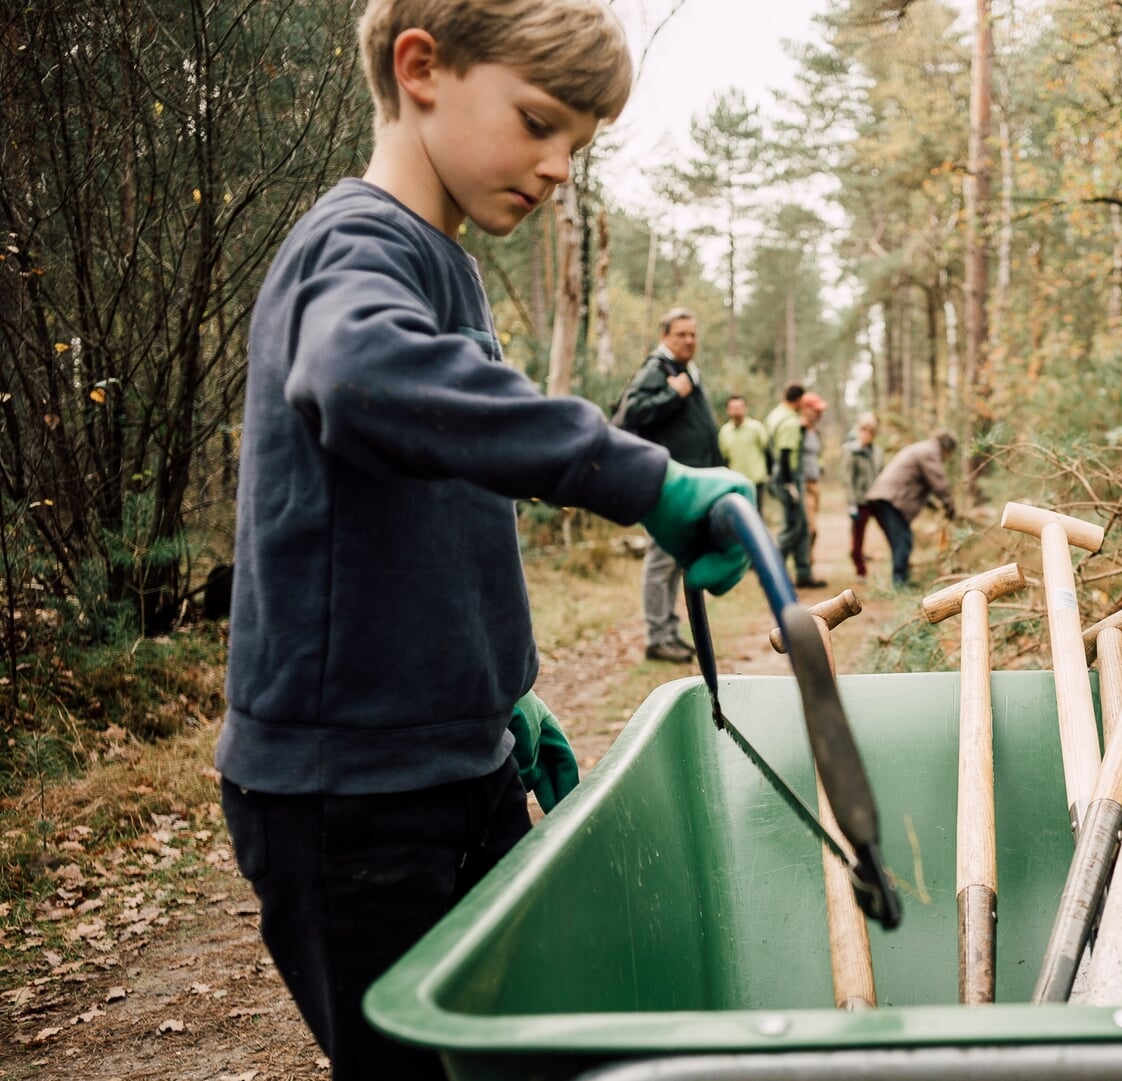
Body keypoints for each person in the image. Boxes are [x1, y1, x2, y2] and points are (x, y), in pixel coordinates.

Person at [215, 3, 751, 1077]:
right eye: (539, 122)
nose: (558, 168)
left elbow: (432, 520)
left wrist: (494, 690)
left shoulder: (445, 263)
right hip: (349, 799)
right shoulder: (352, 246)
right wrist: (641, 477)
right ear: (423, 70)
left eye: (579, 146)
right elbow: (360, 377)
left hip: (455, 758)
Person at [612, 308, 725, 663]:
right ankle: (658, 637)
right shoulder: (656, 369)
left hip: (690, 481)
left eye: (693, 334)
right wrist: (672, 395)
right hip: (667, 483)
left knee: (676, 560)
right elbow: (631, 414)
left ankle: (670, 633)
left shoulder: (686, 369)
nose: (689, 340)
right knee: (662, 560)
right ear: (665, 336)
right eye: (681, 335)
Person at [861, 429, 956, 588]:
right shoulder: (930, 452)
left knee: (902, 540)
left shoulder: (924, 448)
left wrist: (934, 505)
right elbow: (938, 482)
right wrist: (950, 505)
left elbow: (917, 482)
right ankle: (900, 583)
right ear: (946, 448)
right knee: (903, 541)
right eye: (949, 453)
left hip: (889, 496)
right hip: (892, 498)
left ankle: (901, 578)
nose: (947, 458)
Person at [766, 383, 824, 587]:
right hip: (788, 476)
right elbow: (784, 454)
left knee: (801, 525)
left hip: (780, 475)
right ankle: (773, 570)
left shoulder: (775, 414)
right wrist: (790, 484)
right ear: (799, 400)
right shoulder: (789, 421)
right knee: (794, 526)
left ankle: (803, 574)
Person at [717, 394, 770, 514]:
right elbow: (724, 459)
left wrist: (769, 473)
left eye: (739, 407)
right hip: (736, 481)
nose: (737, 411)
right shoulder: (725, 432)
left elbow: (767, 451)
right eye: (733, 407)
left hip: (756, 480)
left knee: (757, 513)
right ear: (728, 410)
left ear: (745, 408)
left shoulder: (756, 428)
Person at [845, 413, 882, 578]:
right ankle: (860, 569)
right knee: (858, 537)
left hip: (877, 499)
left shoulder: (877, 452)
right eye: (863, 430)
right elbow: (848, 479)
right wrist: (852, 503)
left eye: (870, 432)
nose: (866, 435)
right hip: (860, 500)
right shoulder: (851, 452)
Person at [798, 391, 828, 580]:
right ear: (807, 410)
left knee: (813, 529)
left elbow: (818, 455)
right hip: (803, 484)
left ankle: (808, 565)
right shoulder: (798, 429)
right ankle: (804, 568)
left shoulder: (816, 432)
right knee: (810, 528)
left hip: (815, 484)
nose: (820, 413)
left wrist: (821, 467)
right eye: (816, 410)